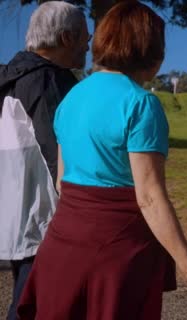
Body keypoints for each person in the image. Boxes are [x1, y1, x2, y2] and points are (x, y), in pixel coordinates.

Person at [16, 2, 187, 319]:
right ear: (150, 48)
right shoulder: (141, 104)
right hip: (115, 257)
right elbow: (150, 198)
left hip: (61, 249)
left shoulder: (72, 96)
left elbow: (62, 183)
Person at [0, 2, 89, 319]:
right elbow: (62, 153)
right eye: (84, 39)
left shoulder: (10, 77)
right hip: (45, 219)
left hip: (13, 215)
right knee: (35, 307)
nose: (88, 47)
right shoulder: (49, 81)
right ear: (67, 38)